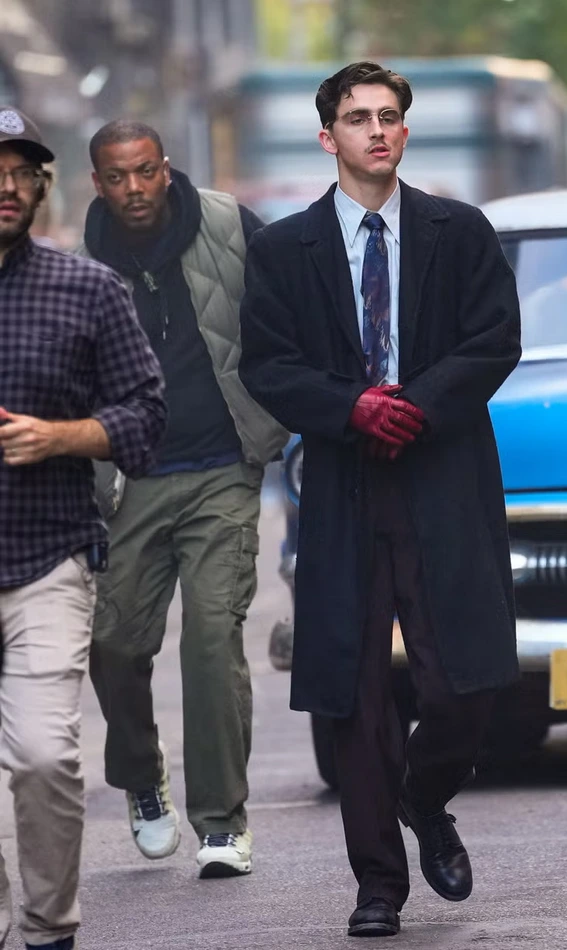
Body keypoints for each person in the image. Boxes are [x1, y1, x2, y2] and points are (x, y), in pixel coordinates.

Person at [239, 62, 522, 936]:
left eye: (389, 116)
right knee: (353, 691)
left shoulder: (457, 231)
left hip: (443, 474)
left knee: (466, 682)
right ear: (328, 137)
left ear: (405, 131)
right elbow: (268, 364)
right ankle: (378, 886)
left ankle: (424, 797)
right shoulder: (284, 250)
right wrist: (352, 407)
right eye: (358, 117)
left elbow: (494, 341)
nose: (376, 130)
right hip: (344, 481)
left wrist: (416, 406)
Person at [78, 121, 288, 879]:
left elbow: (288, 314)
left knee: (211, 638)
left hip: (223, 468)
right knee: (114, 646)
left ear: (165, 169)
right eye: (116, 177)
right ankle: (142, 776)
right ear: (97, 183)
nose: (133, 189)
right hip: (129, 478)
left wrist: (286, 415)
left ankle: (223, 822)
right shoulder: (80, 268)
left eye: (145, 171)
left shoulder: (230, 226)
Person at [0, 106, 166, 950]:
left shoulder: (88, 290)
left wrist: (60, 437)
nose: (5, 186)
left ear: (40, 188)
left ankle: (47, 930)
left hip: (46, 559)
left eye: (19, 173)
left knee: (42, 756)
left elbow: (146, 414)